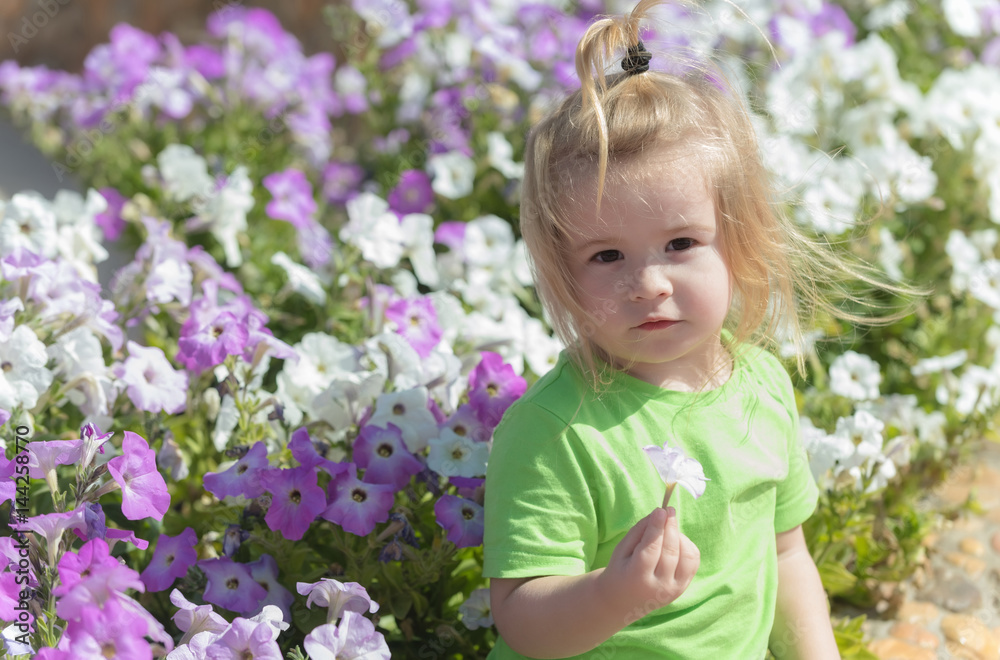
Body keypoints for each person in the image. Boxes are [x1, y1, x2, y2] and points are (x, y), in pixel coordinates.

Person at [481, 1, 904, 658]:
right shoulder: (556, 431)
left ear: (738, 241)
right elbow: (521, 619)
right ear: (560, 271)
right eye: (606, 256)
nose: (649, 283)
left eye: (680, 242)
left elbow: (785, 553)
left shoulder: (760, 386)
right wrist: (612, 595)